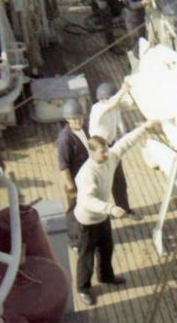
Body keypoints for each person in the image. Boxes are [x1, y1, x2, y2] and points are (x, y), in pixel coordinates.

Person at [74, 119, 157, 306]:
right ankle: (83, 288)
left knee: (106, 248)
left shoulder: (110, 157)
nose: (106, 153)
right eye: (102, 152)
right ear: (91, 152)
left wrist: (144, 127)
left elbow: (125, 142)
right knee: (86, 256)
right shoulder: (87, 174)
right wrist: (110, 208)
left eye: (106, 150)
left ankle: (106, 276)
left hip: (102, 218)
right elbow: (87, 200)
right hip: (87, 221)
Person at [89, 80, 141, 219]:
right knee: (99, 183)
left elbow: (130, 104)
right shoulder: (97, 109)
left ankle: (124, 210)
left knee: (119, 181)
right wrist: (123, 89)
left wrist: (131, 89)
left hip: (110, 147)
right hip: (97, 150)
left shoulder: (114, 106)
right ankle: (98, 213)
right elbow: (113, 103)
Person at [56, 99, 89, 250]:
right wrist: (71, 188)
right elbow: (63, 166)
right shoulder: (65, 140)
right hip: (75, 182)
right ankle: (74, 241)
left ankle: (88, 234)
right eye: (74, 119)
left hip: (87, 178)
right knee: (74, 211)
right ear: (67, 120)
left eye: (79, 118)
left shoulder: (85, 129)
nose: (78, 122)